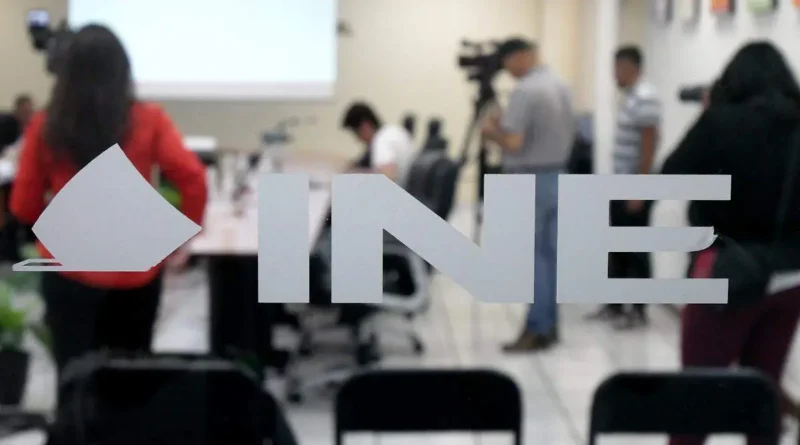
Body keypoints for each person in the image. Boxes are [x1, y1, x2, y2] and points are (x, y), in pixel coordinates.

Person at [10, 24, 207, 404]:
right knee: (130, 388)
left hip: (68, 273)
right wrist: (180, 239)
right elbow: (193, 178)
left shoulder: (46, 127)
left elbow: (22, 206)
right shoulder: (149, 119)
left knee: (74, 385)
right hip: (134, 275)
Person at [662, 41, 800, 445]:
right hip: (789, 275)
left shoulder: (721, 122)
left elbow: (671, 175)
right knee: (763, 393)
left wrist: (709, 116)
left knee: (697, 394)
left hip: (725, 271)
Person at [482, 38, 574, 352]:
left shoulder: (525, 91)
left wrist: (490, 131)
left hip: (529, 179)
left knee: (533, 259)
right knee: (549, 257)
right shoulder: (560, 85)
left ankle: (536, 328)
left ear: (521, 56)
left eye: (508, 62)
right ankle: (550, 324)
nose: (507, 70)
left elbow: (514, 143)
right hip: (557, 175)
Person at [586, 45, 661, 329]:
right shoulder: (630, 96)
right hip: (621, 183)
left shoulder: (645, 96)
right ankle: (615, 304)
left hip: (635, 184)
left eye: (617, 68)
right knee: (617, 245)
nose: (614, 74)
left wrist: (640, 187)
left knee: (637, 248)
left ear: (631, 67)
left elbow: (650, 141)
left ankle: (638, 310)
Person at [341, 102, 415, 185]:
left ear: (365, 126)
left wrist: (355, 176)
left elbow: (388, 176)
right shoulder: (392, 130)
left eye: (357, 133)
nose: (358, 139)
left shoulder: (382, 141)